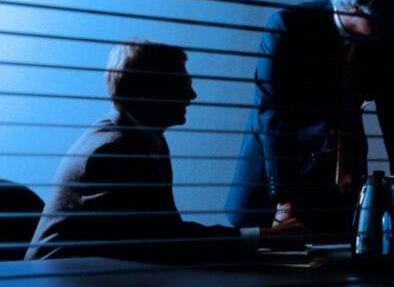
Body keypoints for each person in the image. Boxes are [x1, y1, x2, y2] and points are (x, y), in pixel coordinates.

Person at [25, 40, 307, 262]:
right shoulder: (110, 152)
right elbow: (160, 241)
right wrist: (266, 237)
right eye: (181, 86)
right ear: (146, 93)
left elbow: (163, 231)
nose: (192, 96)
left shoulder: (147, 138)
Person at [225, 0, 394, 243]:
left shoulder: (384, 35)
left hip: (340, 188)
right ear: (356, 5)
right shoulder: (287, 28)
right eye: (391, 8)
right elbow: (272, 117)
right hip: (280, 180)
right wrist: (284, 199)